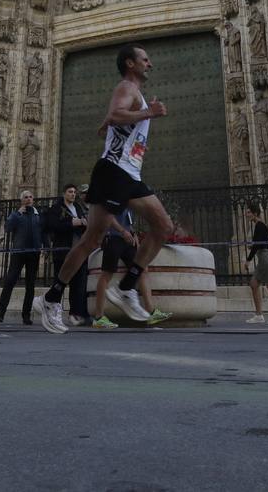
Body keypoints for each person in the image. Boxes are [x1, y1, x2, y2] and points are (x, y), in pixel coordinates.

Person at [34, 44, 175, 334]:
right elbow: (117, 113)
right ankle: (61, 298)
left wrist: (110, 124)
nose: (150, 64)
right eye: (145, 59)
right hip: (116, 172)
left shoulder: (134, 92)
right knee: (99, 238)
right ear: (130, 64)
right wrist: (149, 113)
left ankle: (64, 295)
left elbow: (114, 119)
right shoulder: (127, 87)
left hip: (126, 173)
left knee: (153, 228)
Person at [91, 207, 170, 328]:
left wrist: (133, 233)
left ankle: (152, 313)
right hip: (112, 238)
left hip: (127, 239)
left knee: (142, 269)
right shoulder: (113, 193)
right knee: (107, 274)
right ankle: (99, 317)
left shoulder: (128, 197)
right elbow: (108, 216)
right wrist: (122, 231)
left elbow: (127, 220)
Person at [0, 191, 44, 324]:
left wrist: (46, 246)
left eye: (31, 197)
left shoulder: (37, 215)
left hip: (34, 253)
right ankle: (1, 311)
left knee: (30, 285)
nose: (28, 199)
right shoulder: (17, 215)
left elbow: (42, 232)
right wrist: (17, 213)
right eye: (25, 197)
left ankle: (26, 315)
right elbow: (8, 227)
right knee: (10, 281)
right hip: (19, 252)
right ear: (21, 200)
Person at [45, 184, 91, 325]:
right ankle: (53, 311)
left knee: (78, 284)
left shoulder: (78, 208)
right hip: (63, 250)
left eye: (74, 192)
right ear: (64, 193)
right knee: (60, 283)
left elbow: (83, 223)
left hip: (78, 251)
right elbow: (52, 225)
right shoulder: (57, 208)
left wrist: (84, 223)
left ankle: (75, 314)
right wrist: (71, 222)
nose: (73, 194)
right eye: (70, 192)